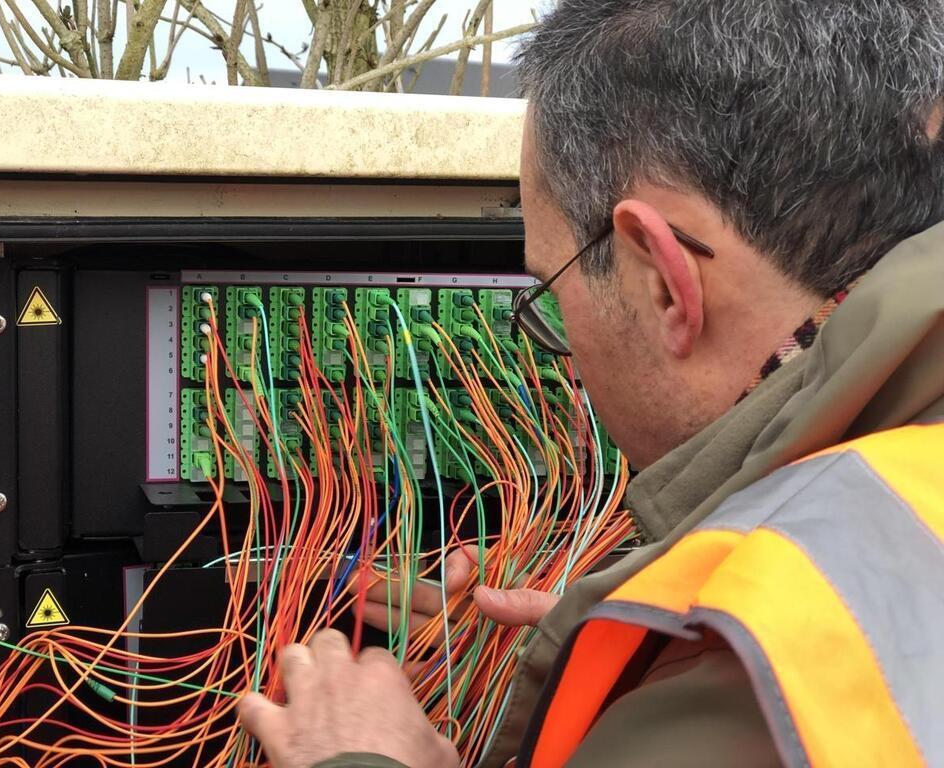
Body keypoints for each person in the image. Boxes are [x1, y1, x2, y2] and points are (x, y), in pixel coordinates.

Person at [239, 0, 944, 765]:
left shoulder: (748, 671)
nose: (561, 346)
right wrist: (637, 645)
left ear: (663, 282)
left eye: (551, 287)